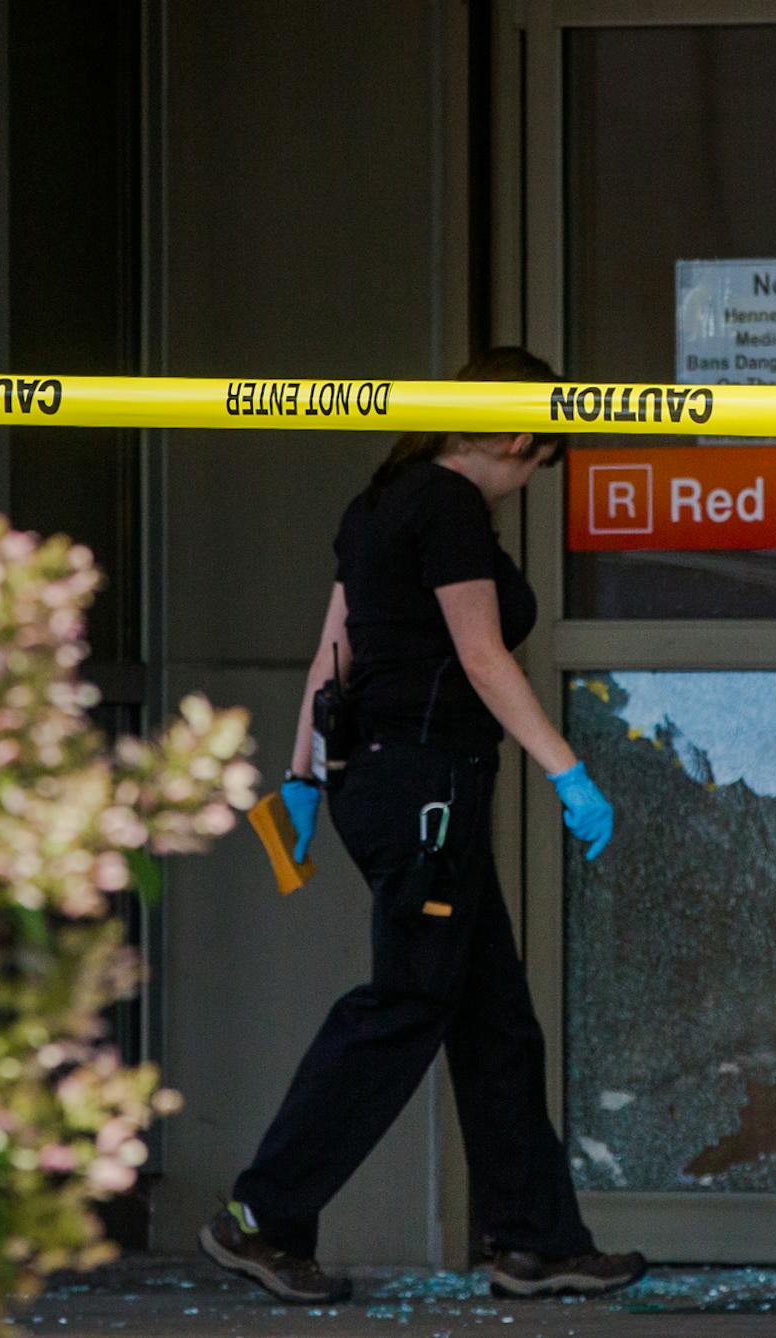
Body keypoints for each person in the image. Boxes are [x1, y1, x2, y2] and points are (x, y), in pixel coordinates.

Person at [200, 347, 646, 1306]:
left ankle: (536, 1240)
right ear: (523, 438)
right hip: (426, 791)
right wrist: (571, 774)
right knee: (405, 1004)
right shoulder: (446, 506)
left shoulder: (380, 500)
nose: (528, 484)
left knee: (493, 1021)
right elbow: (483, 658)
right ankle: (261, 1215)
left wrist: (303, 779)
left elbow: (333, 652)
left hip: (389, 784)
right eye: (538, 467)